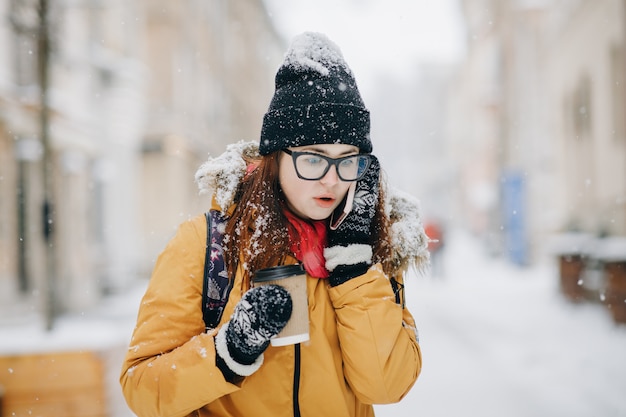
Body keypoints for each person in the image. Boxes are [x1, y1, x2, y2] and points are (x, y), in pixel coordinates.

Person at [120, 31, 429, 417]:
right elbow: (142, 390)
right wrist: (229, 351)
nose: (332, 180)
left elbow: (386, 385)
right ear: (275, 159)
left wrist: (353, 271)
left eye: (347, 159)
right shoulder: (208, 245)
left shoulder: (375, 254)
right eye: (313, 159)